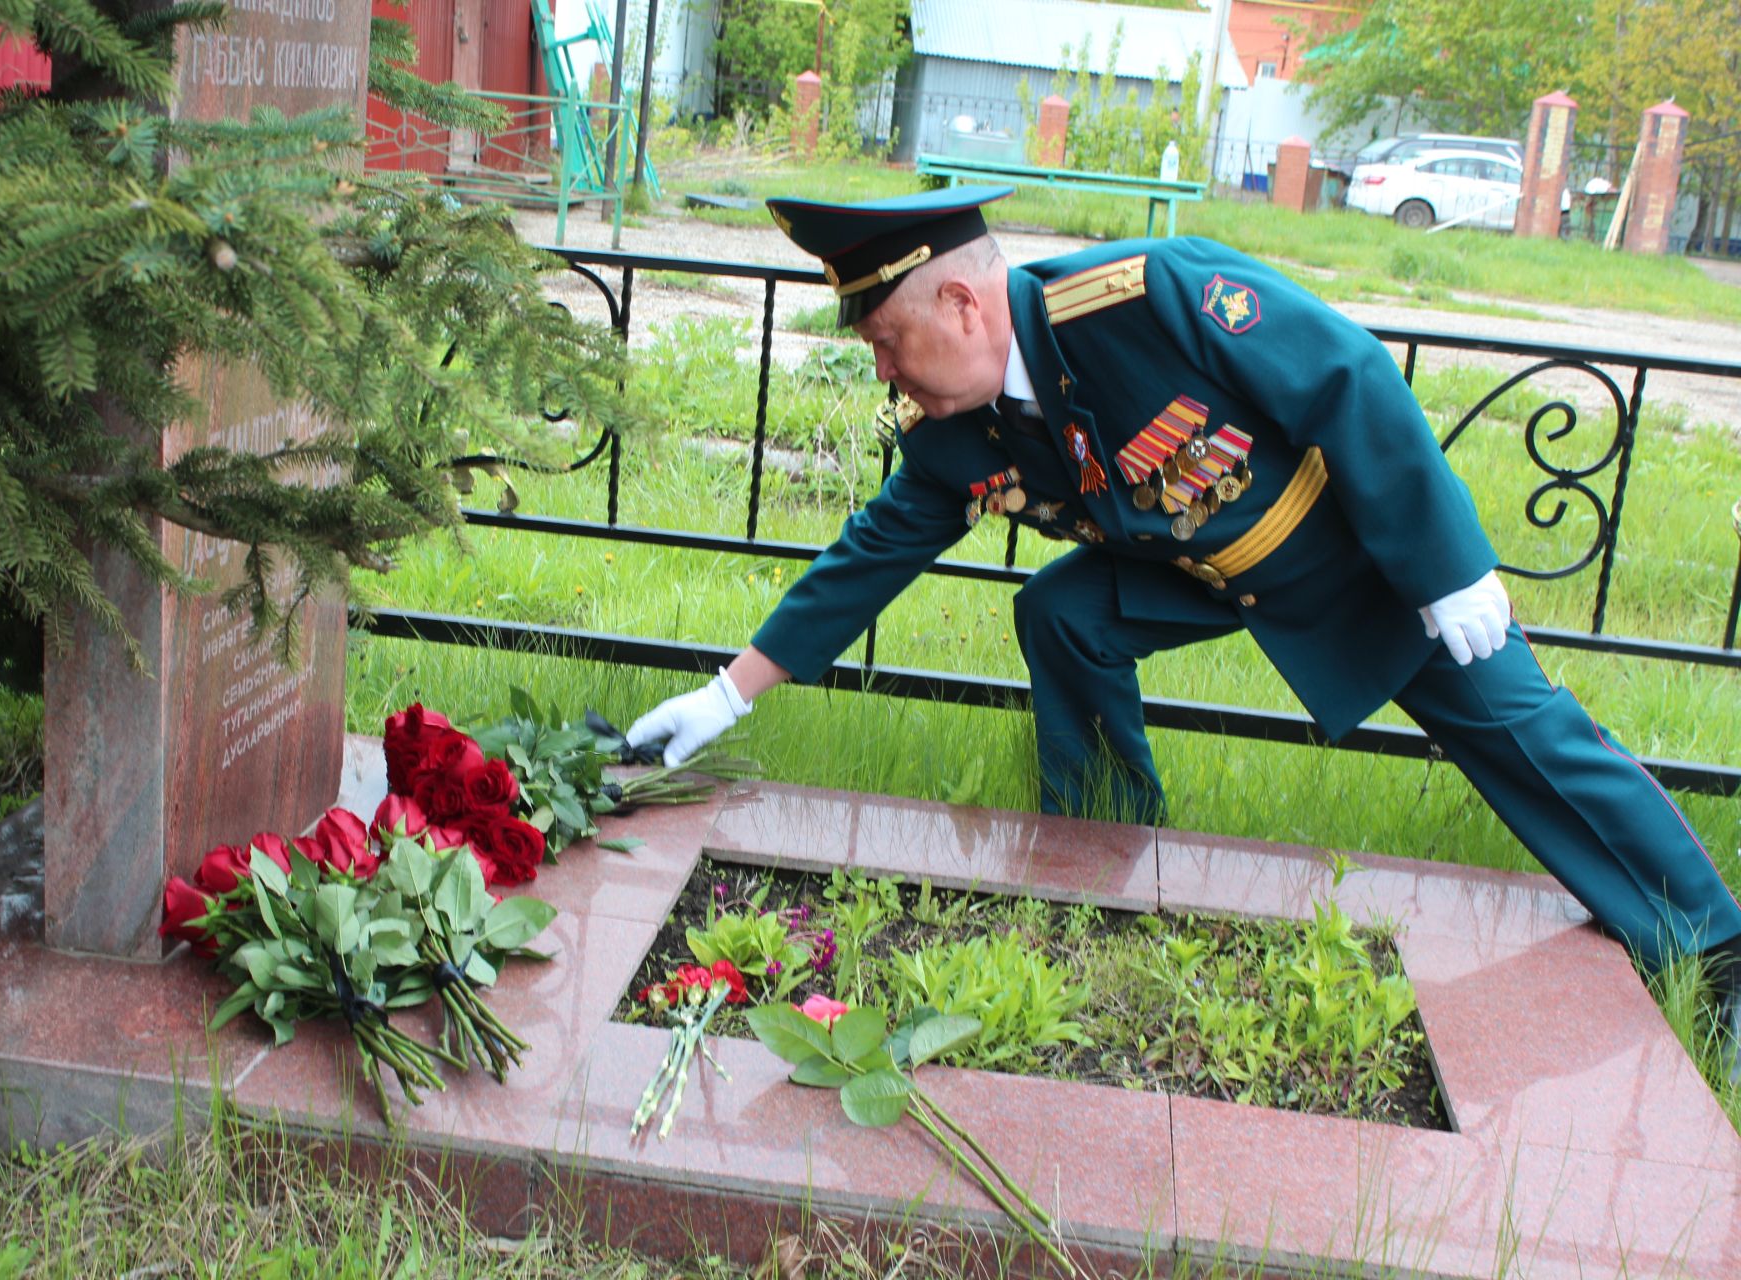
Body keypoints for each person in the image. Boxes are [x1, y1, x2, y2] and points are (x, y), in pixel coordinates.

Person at [623, 186, 1741, 1073]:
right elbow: (868, 558)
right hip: (1198, 568)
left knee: (1517, 724)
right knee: (1061, 613)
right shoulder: (959, 429)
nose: (884, 371)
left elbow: (1346, 378)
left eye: (885, 340)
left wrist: (1448, 567)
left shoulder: (1146, 295)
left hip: (1351, 558)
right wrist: (725, 695)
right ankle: (1105, 844)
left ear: (963, 307)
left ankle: (1712, 946)